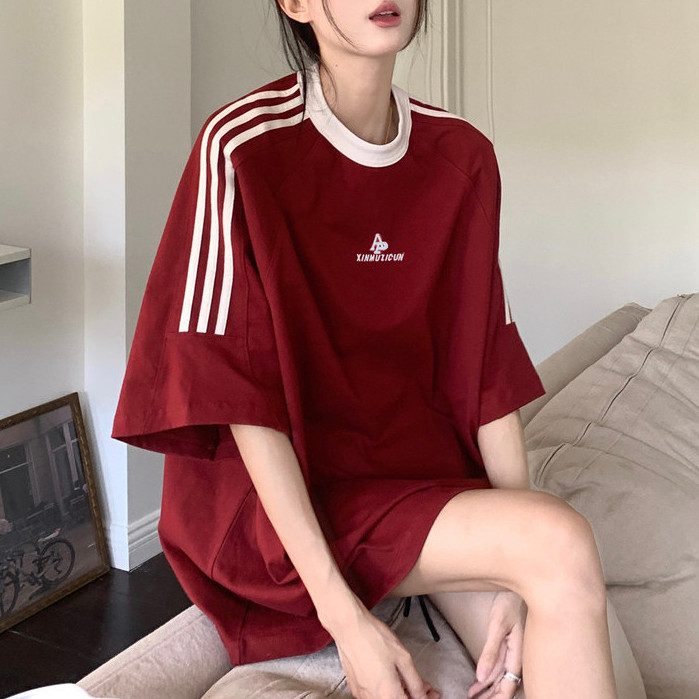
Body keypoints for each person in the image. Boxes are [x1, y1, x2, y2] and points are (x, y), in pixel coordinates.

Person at [111, 1, 621, 698]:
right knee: (560, 541)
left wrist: (512, 574)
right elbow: (234, 394)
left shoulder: (462, 156)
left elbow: (486, 371)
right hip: (282, 506)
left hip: (413, 482)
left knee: (552, 612)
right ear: (294, 3)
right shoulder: (241, 146)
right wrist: (346, 620)